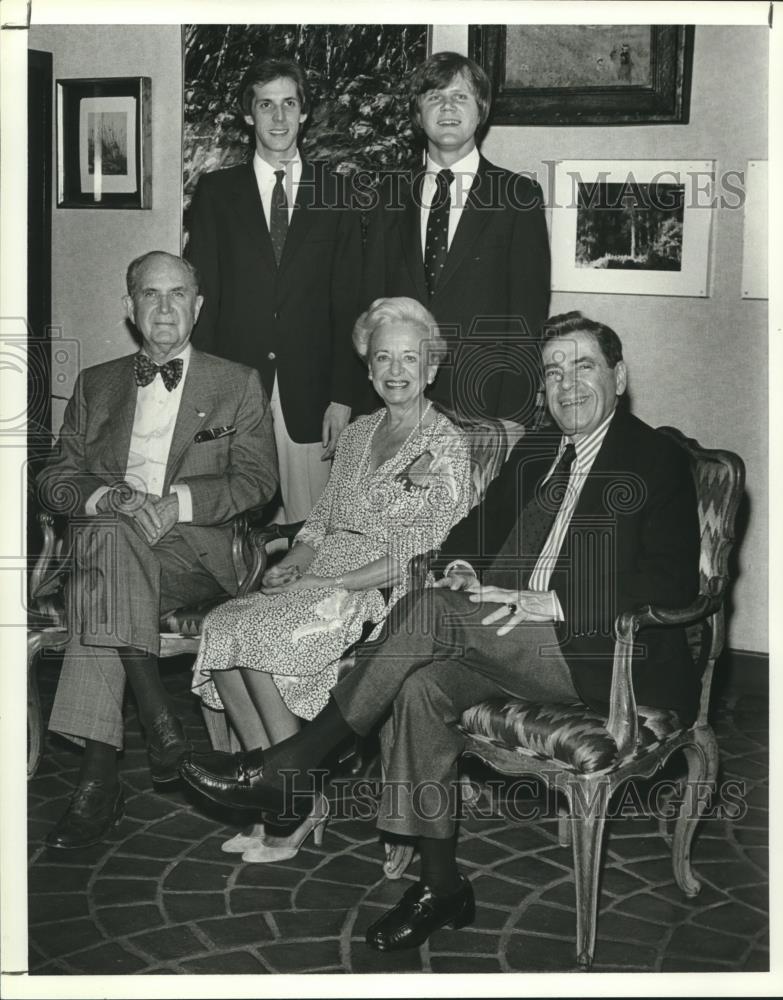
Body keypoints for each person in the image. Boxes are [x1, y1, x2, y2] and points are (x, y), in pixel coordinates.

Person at [180, 310, 702, 950]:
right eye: (554, 371)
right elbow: (474, 533)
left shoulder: (657, 459)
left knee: (425, 611)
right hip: (512, 634)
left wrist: (555, 602)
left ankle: (297, 763)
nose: (568, 384)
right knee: (422, 684)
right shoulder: (539, 448)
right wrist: (459, 566)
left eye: (584, 366)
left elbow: (673, 583)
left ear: (618, 377)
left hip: (605, 653)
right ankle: (441, 886)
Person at [190, 296, 476, 862]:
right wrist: (295, 560)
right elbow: (322, 519)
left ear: (431, 368)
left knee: (261, 637)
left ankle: (294, 795)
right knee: (223, 625)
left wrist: (332, 586)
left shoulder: (446, 445)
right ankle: (274, 794)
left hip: (382, 588)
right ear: (368, 368)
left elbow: (422, 547)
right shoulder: (359, 434)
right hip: (322, 573)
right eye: (383, 358)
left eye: (409, 359)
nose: (396, 371)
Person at [38, 251, 278, 850]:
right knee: (109, 541)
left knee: (101, 570)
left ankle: (103, 776)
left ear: (198, 307)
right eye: (150, 294)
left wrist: (179, 502)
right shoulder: (97, 382)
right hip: (113, 544)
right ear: (129, 308)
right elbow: (54, 478)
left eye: (178, 295)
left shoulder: (237, 382)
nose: (165, 307)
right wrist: (112, 497)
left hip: (191, 553)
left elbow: (257, 482)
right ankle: (156, 722)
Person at [186, 57, 365, 523]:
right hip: (237, 393)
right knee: (237, 528)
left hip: (312, 397)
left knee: (313, 534)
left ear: (304, 113)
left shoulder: (337, 192)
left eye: (289, 104)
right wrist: (208, 398)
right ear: (250, 115)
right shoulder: (216, 192)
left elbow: (349, 302)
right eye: (266, 105)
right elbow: (204, 302)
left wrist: (343, 396)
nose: (279, 118)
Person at [363, 51, 550, 426]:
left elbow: (526, 317)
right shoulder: (388, 195)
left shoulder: (518, 195)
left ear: (480, 111)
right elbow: (372, 305)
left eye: (460, 96)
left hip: (483, 403)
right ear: (418, 114)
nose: (447, 107)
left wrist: (511, 418)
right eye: (434, 96)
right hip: (399, 401)